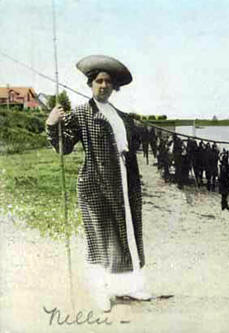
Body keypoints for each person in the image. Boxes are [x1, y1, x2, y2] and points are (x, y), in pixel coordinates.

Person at [46, 55, 152, 312]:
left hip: (124, 185)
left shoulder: (122, 116)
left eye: (108, 82)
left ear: (115, 87)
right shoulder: (82, 113)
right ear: (91, 84)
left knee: (127, 232)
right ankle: (100, 292)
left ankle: (131, 286)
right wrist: (51, 124)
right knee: (101, 240)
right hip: (96, 185)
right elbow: (64, 147)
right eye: (99, 81)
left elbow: (130, 148)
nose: (103, 86)